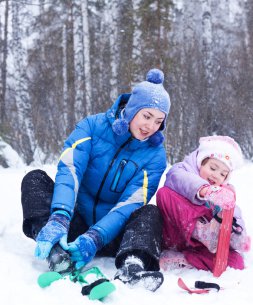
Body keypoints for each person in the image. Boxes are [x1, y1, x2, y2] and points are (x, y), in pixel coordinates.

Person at [21, 68, 170, 292]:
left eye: (158, 121)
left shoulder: (155, 156)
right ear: (131, 110)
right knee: (34, 179)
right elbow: (70, 170)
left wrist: (96, 237)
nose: (150, 126)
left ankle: (133, 266)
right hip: (75, 223)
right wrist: (60, 218)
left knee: (150, 212)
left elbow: (130, 204)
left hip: (113, 236)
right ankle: (57, 253)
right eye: (146, 116)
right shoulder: (92, 127)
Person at [156, 135, 251, 271]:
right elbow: (176, 178)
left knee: (236, 261)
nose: (216, 175)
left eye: (223, 174)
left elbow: (234, 214)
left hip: (199, 245)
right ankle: (201, 231)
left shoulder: (223, 192)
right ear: (201, 162)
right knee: (165, 194)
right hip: (175, 234)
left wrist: (238, 234)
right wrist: (205, 190)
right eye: (213, 168)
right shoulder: (183, 170)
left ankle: (183, 259)